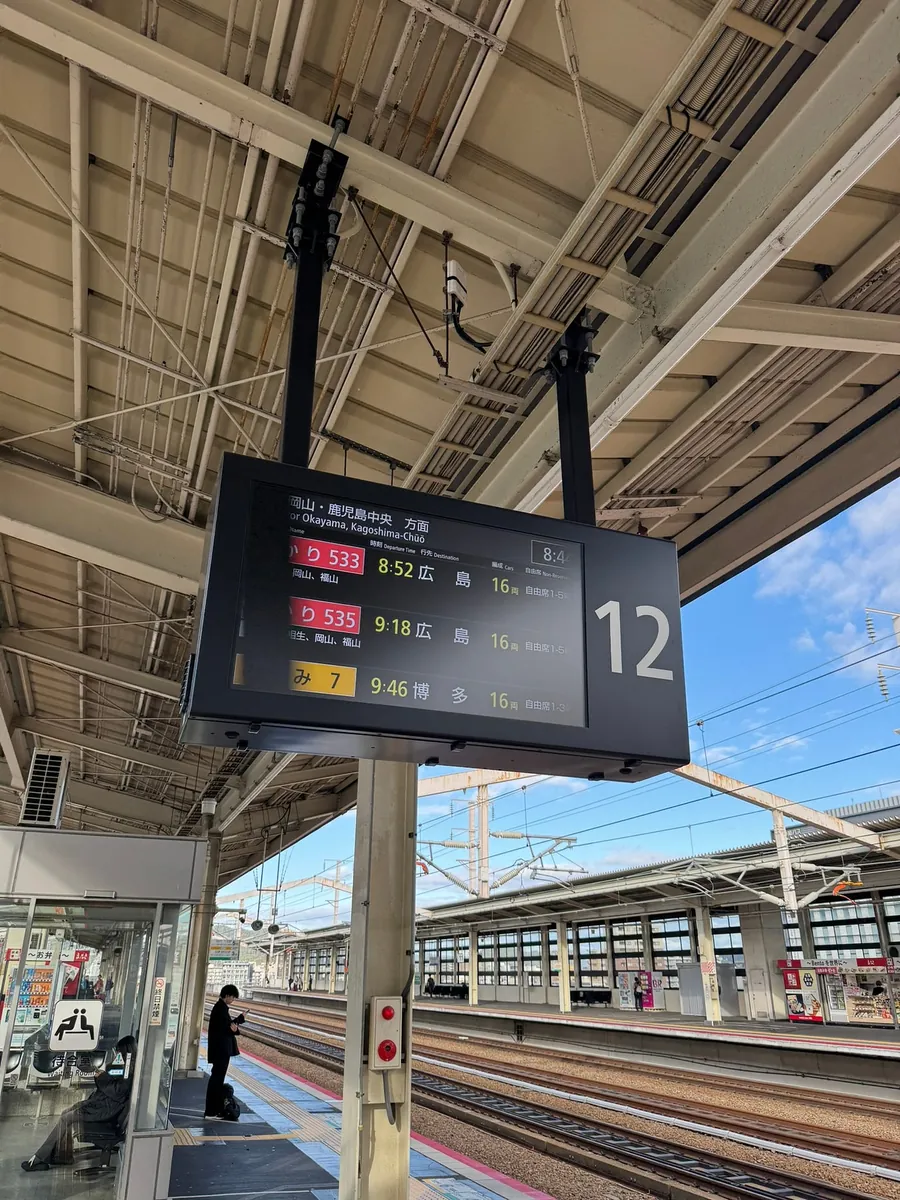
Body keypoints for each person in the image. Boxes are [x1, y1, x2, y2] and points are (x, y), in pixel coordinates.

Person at [21, 1035, 136, 1171]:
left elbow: (118, 1091)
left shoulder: (130, 1068)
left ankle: (39, 1159)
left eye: (119, 1051)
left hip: (109, 1112)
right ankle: (60, 1155)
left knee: (67, 1117)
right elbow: (117, 1087)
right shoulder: (128, 1066)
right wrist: (104, 1076)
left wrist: (103, 1077)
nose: (117, 1054)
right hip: (107, 1107)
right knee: (66, 1113)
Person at [205, 985, 245, 1120]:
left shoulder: (220, 1008)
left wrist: (238, 1021)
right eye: (233, 997)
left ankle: (213, 1110)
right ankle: (211, 1112)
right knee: (217, 1080)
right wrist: (237, 1023)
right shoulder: (220, 1009)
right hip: (221, 1050)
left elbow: (228, 1026)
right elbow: (227, 1029)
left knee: (217, 1079)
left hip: (220, 1050)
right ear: (227, 995)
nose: (233, 999)